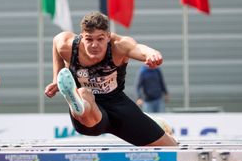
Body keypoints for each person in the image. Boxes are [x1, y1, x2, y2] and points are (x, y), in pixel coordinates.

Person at [44, 11, 177, 148]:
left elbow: (138, 48)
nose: (94, 45)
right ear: (82, 37)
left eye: (100, 39)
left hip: (119, 107)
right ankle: (78, 106)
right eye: (89, 39)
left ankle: (159, 127)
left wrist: (152, 54)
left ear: (108, 37)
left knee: (173, 153)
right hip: (91, 116)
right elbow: (56, 41)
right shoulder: (68, 46)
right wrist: (57, 78)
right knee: (84, 93)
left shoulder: (118, 45)